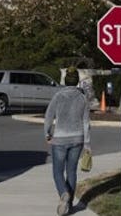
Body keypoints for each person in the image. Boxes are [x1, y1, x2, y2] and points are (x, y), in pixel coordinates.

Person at [43, 67, 90, 216]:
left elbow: (49, 116)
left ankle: (63, 193)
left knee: (57, 171)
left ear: (65, 80)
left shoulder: (58, 96)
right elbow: (86, 123)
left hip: (60, 139)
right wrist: (87, 144)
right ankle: (68, 205)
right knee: (71, 171)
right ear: (77, 82)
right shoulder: (83, 98)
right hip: (78, 139)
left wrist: (47, 133)